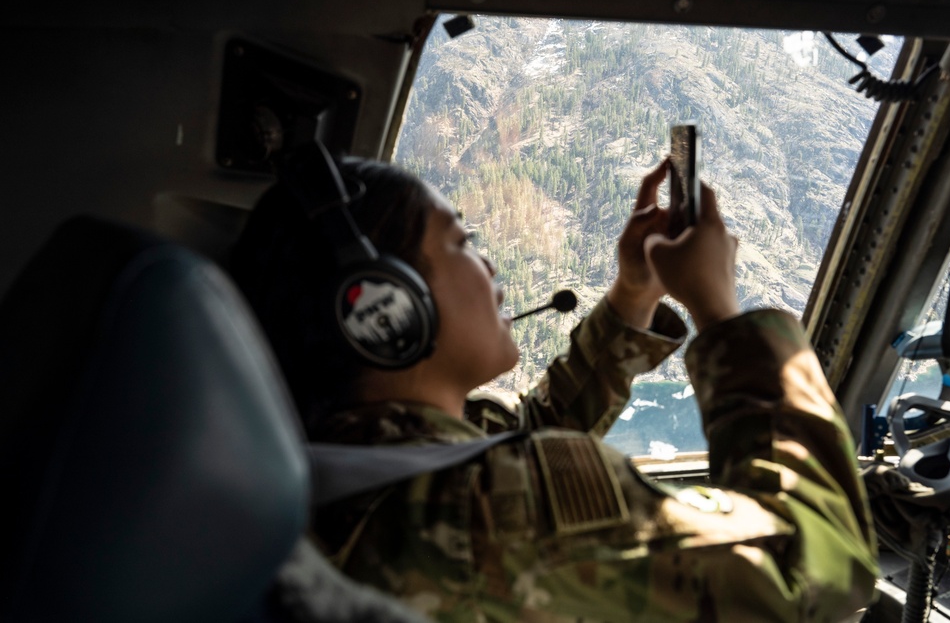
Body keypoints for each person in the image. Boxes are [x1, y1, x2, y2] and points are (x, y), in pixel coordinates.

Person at [230, 153, 879, 622]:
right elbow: (819, 567)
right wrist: (719, 310)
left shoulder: (339, 455)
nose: (489, 265)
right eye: (463, 242)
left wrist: (633, 297)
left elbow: (507, 447)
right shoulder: (494, 507)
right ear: (387, 308)